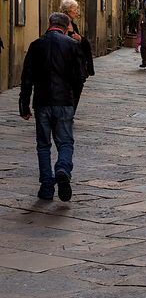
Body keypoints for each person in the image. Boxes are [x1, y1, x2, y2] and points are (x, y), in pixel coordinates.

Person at [19, 12, 88, 201]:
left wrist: (24, 105)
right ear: (67, 28)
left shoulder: (36, 45)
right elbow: (82, 75)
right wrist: (72, 94)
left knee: (43, 144)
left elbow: (26, 79)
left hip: (42, 101)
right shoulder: (73, 45)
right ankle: (63, 169)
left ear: (48, 24)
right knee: (65, 142)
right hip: (64, 100)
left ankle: (47, 187)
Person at [60, 0, 95, 80]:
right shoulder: (60, 24)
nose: (77, 12)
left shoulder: (73, 25)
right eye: (75, 10)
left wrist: (80, 39)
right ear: (68, 12)